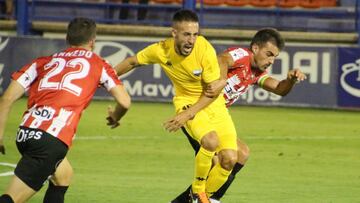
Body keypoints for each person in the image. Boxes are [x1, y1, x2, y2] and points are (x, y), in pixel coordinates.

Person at [0, 17, 131, 203]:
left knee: (63, 175)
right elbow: (125, 102)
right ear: (93, 41)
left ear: (67, 38)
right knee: (11, 199)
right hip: (51, 140)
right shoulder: (98, 63)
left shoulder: (43, 62)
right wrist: (116, 116)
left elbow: (6, 99)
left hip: (26, 133)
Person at [114, 9, 238, 203]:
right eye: (187, 34)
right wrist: (107, 78)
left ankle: (198, 199)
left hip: (214, 104)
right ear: (174, 33)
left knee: (230, 159)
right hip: (186, 101)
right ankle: (198, 192)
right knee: (210, 141)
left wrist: (187, 116)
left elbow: (212, 92)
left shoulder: (204, 49)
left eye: (195, 34)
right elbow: (131, 61)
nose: (192, 40)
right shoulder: (161, 50)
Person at [171, 28, 307, 203]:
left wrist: (291, 80)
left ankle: (207, 199)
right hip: (197, 112)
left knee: (241, 154)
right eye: (269, 54)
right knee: (220, 161)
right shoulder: (242, 55)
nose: (271, 60)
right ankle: (197, 199)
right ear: (256, 48)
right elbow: (222, 59)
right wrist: (220, 80)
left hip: (215, 117)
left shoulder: (256, 73)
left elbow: (279, 89)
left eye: (275, 57)